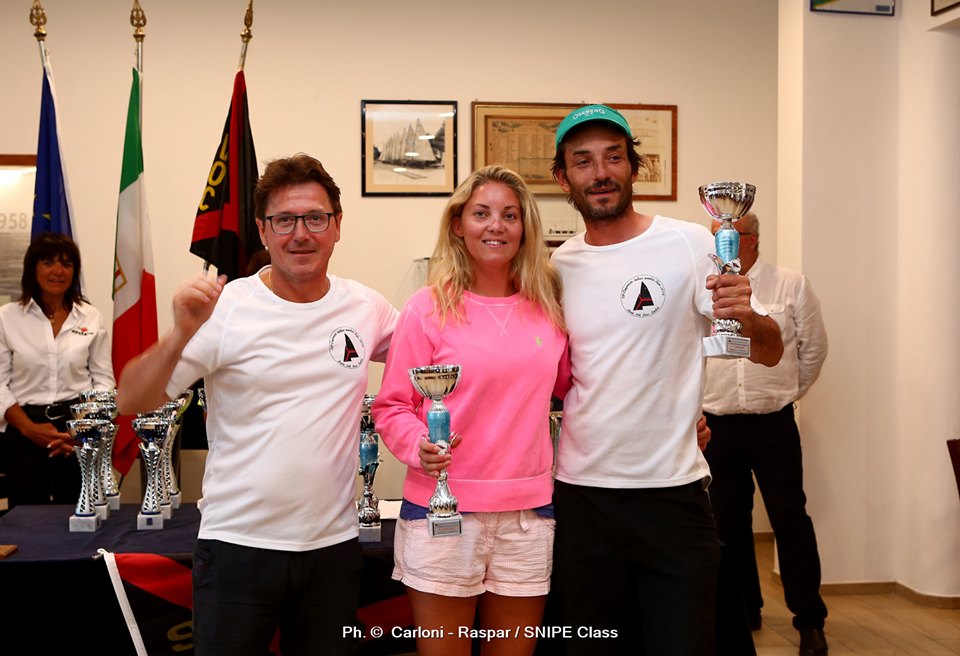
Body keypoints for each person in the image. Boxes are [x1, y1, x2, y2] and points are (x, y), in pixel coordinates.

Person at [116, 153, 397, 656]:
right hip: (236, 548)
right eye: (284, 220)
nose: (301, 234)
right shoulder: (225, 308)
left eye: (315, 218)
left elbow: (434, 357)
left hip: (332, 550)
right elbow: (132, 399)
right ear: (263, 231)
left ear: (337, 226)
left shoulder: (366, 306)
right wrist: (180, 332)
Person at [548, 104, 784, 655]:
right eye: (583, 161)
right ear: (563, 177)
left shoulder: (690, 244)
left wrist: (747, 316)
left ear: (635, 167)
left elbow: (770, 352)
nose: (600, 173)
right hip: (582, 499)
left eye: (613, 157)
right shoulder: (556, 268)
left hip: (673, 496)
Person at [372, 165, 568, 656]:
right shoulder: (426, 308)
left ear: (525, 228)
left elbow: (576, 391)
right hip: (442, 511)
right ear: (458, 224)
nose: (496, 225)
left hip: (528, 516)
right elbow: (393, 405)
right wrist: (419, 446)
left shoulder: (549, 308)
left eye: (509, 215)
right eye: (481, 213)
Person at [702, 212, 829, 656]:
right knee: (728, 523)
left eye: (728, 236)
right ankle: (745, 610)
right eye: (715, 237)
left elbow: (813, 351)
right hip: (716, 424)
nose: (720, 246)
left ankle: (810, 621)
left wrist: (785, 392)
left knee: (790, 519)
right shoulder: (703, 286)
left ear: (751, 239)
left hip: (772, 423)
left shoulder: (790, 284)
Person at [0, 232, 115, 509]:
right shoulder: (7, 317)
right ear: (33, 268)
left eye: (66, 263)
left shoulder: (91, 317)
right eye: (48, 262)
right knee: (26, 518)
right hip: (24, 430)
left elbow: (103, 382)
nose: (58, 271)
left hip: (78, 432)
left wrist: (81, 431)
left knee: (79, 515)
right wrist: (30, 429)